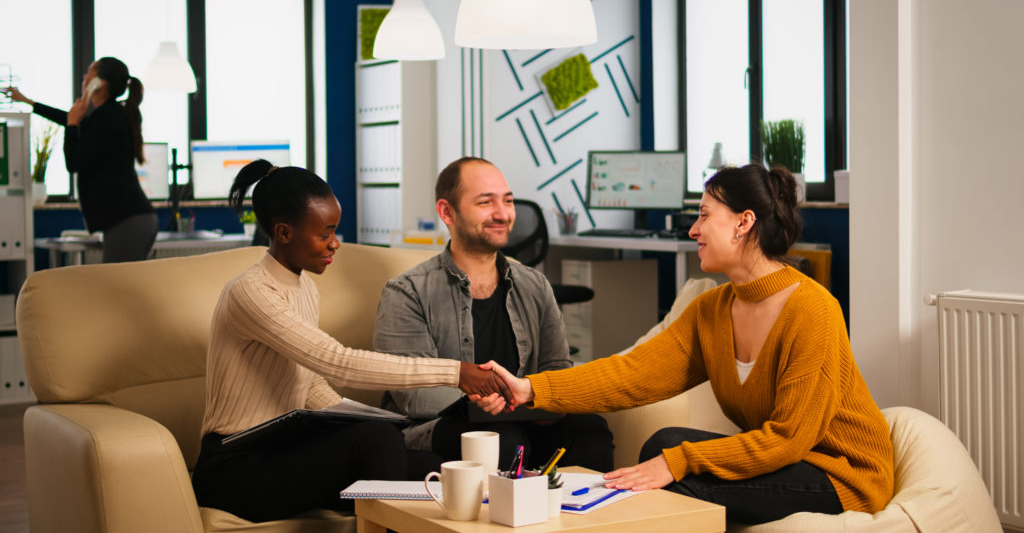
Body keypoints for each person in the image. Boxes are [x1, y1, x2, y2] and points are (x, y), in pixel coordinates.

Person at [478, 164, 894, 525]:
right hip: (785, 460)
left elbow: (788, 439)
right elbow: (632, 374)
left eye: (703, 215)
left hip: (838, 474)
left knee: (676, 485)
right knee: (663, 442)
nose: (693, 229)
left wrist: (678, 462)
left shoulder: (813, 310)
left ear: (743, 222)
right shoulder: (712, 308)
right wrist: (531, 389)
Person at [190, 159, 512, 522]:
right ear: (284, 233)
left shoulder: (304, 287)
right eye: (325, 233)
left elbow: (309, 384)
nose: (335, 244)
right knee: (376, 441)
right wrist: (456, 372)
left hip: (283, 450)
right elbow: (336, 361)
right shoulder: (251, 292)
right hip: (235, 466)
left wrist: (371, 418)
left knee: (436, 464)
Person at [373, 156, 614, 473]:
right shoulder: (407, 292)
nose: (502, 214)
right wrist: (484, 397)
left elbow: (556, 369)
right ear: (447, 212)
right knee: (502, 440)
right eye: (486, 202)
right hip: (439, 427)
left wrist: (538, 400)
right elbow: (413, 394)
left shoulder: (535, 285)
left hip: (522, 415)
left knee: (590, 432)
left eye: (508, 201)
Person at [3, 57, 157, 263]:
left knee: (117, 289)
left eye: (89, 73)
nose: (84, 77)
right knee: (119, 288)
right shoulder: (108, 114)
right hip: (130, 219)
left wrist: (72, 124)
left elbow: (73, 162)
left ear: (99, 84)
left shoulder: (106, 118)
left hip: (127, 220)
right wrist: (28, 102)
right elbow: (70, 119)